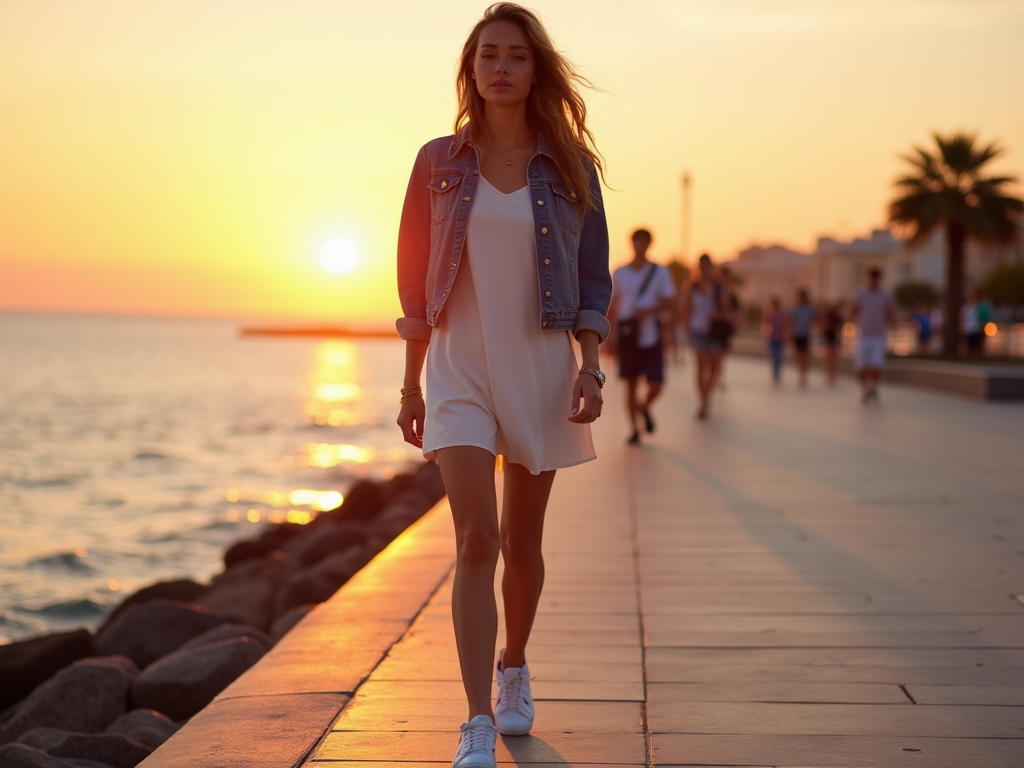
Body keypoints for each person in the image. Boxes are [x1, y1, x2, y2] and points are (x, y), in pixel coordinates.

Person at [394, 6, 611, 767]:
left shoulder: (571, 166)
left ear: (535, 70)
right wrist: (409, 386)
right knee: (476, 539)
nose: (501, 67)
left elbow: (591, 281)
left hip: (542, 366)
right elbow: (413, 285)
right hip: (458, 368)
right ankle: (477, 718)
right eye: (488, 54)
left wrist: (589, 367)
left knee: (523, 541)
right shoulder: (436, 162)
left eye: (516, 55)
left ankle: (513, 663)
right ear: (471, 68)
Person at [608, 229, 677, 444]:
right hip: (628, 336)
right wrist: (608, 334)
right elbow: (612, 304)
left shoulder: (660, 272)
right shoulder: (620, 273)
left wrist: (648, 311)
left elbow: (670, 301)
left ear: (649, 244)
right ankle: (634, 429)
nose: (640, 245)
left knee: (656, 383)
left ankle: (643, 407)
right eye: (637, 241)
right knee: (630, 384)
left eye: (644, 241)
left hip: (650, 336)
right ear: (632, 243)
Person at [681, 254, 725, 419]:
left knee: (713, 368)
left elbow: (726, 308)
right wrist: (685, 330)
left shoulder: (719, 287)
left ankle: (708, 394)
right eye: (702, 266)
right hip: (698, 330)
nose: (705, 269)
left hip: (714, 331)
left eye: (707, 266)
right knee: (701, 367)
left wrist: (718, 314)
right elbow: (686, 309)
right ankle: (703, 402)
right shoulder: (692, 286)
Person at [851, 267, 895, 404]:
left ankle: (874, 386)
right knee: (861, 366)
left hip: (878, 336)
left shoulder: (885, 294)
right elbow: (853, 311)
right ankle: (865, 389)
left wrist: (893, 325)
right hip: (863, 335)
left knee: (877, 365)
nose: (873, 281)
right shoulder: (860, 293)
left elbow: (889, 312)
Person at [715, 265, 742, 390]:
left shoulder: (731, 291)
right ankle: (716, 376)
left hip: (725, 327)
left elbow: (737, 309)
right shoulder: (714, 290)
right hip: (715, 326)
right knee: (715, 354)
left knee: (721, 355)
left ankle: (719, 376)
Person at [789, 288, 815, 387]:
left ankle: (804, 374)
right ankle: (801, 373)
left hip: (806, 335)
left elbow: (813, 321)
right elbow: (791, 321)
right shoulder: (795, 309)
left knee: (805, 356)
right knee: (798, 355)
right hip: (797, 334)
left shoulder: (809, 309)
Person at [961, 288, 992, 357]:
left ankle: (977, 357)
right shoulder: (967, 307)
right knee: (968, 345)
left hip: (977, 328)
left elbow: (986, 317)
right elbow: (962, 316)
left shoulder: (982, 306)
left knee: (977, 345)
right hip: (968, 329)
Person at [819, 302, 843, 385]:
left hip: (834, 341)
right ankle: (829, 375)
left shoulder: (837, 319)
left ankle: (832, 375)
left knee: (833, 360)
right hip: (829, 341)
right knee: (829, 359)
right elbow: (823, 329)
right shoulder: (827, 318)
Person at [763, 297, 786, 384]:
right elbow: (765, 325)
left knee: (778, 357)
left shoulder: (782, 315)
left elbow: (785, 325)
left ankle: (778, 375)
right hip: (772, 338)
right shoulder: (769, 315)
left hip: (780, 338)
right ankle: (774, 375)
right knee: (773, 357)